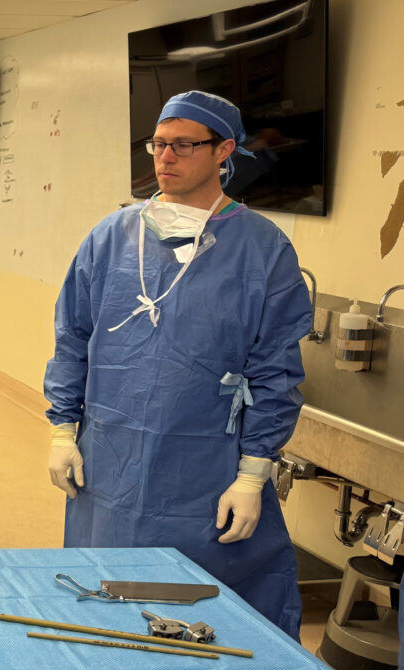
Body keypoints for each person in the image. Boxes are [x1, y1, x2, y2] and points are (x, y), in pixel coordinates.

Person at [44, 90, 312, 640]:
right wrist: (62, 428)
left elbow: (275, 371)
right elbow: (73, 337)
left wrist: (253, 473)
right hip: (110, 457)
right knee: (105, 594)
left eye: (183, 145)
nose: (165, 158)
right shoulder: (110, 237)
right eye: (158, 144)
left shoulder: (263, 249)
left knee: (202, 605)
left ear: (224, 151)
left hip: (205, 463)